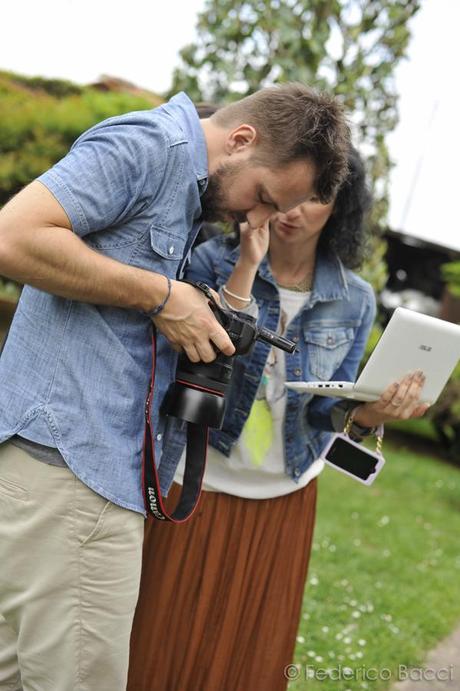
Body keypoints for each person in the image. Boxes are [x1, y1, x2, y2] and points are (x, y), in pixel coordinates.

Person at [0, 84, 352, 691]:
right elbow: (12, 236)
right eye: (264, 197)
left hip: (71, 474)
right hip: (75, 476)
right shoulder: (151, 146)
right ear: (242, 140)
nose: (257, 220)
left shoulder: (191, 187)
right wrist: (163, 296)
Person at [127, 147, 429, 691]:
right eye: (290, 188)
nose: (296, 208)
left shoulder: (355, 300)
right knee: (155, 640)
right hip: (195, 479)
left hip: (283, 496)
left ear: (340, 208)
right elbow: (197, 362)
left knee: (245, 652)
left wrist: (371, 412)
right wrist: (246, 265)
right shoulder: (210, 261)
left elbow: (325, 410)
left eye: (318, 196)